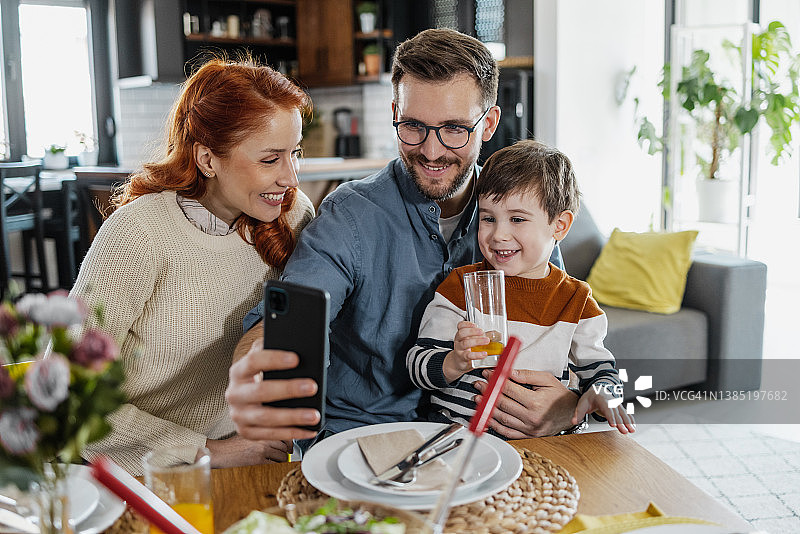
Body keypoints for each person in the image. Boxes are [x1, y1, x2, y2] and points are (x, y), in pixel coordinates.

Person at [227, 29, 581, 447]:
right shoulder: (351, 215)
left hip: (484, 442)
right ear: (395, 112)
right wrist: (256, 372)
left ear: (488, 123)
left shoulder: (525, 217)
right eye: (413, 126)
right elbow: (295, 317)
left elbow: (567, 333)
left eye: (454, 129)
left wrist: (569, 406)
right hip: (363, 436)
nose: (431, 151)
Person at [71, 57, 318, 474]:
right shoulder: (138, 234)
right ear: (207, 159)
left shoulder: (292, 216)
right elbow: (71, 392)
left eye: (295, 153)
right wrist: (207, 451)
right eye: (270, 159)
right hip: (131, 472)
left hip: (240, 458)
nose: (291, 177)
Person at [407, 139, 636, 434]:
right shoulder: (460, 287)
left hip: (542, 446)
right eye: (488, 218)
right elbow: (417, 365)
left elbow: (601, 372)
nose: (498, 234)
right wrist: (454, 361)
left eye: (517, 219)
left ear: (560, 225)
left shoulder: (576, 301)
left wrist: (603, 395)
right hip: (457, 440)